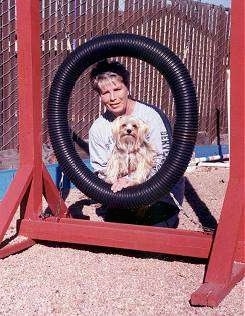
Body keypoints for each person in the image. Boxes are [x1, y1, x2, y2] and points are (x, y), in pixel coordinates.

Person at [88, 59, 185, 227]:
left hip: (159, 188)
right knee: (121, 236)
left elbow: (164, 160)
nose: (113, 98)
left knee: (157, 235)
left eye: (117, 89)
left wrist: (135, 179)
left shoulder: (151, 117)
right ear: (100, 96)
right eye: (105, 92)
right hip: (121, 190)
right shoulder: (98, 128)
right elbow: (100, 169)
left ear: (127, 88)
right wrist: (118, 182)